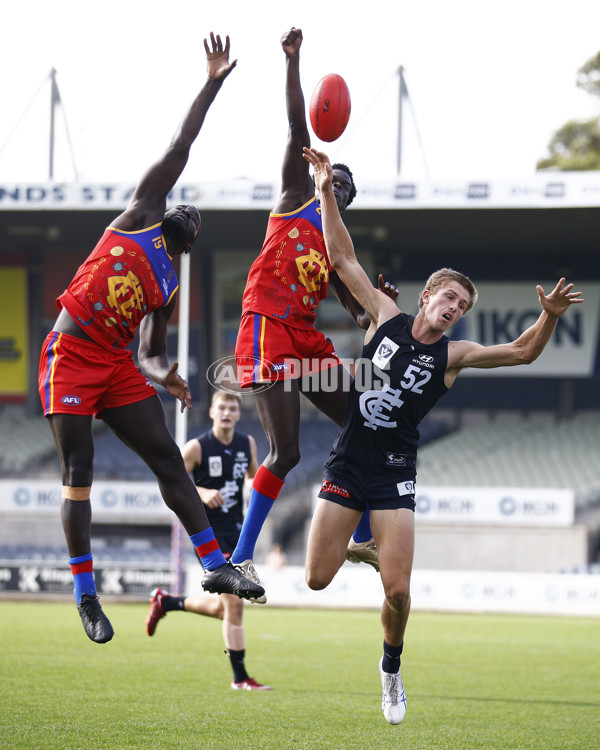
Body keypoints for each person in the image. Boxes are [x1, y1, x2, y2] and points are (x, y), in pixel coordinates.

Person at [302, 146, 584, 725]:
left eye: (463, 304)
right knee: (315, 577)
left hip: (396, 473)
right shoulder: (384, 315)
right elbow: (340, 255)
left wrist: (550, 314)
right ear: (427, 295)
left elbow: (524, 351)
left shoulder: (454, 357)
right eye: (448, 296)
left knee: (399, 592)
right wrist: (326, 188)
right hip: (348, 461)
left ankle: (391, 671)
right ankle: (363, 549)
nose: (454, 307)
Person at [37, 33, 264, 646]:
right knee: (78, 470)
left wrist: (165, 375)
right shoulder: (140, 214)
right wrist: (213, 82)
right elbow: (180, 144)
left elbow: (150, 350)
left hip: (115, 365)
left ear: (190, 243)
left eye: (195, 219)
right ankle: (86, 594)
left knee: (167, 455)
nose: (186, 212)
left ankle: (216, 564)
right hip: (70, 352)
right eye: (183, 206)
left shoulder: (168, 284)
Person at [231, 27, 385, 597]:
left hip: (305, 338)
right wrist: (295, 62)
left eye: (346, 186)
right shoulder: (295, 199)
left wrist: (380, 305)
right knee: (287, 451)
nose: (338, 183)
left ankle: (361, 534)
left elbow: (360, 303)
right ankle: (240, 557)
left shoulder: (336, 247)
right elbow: (298, 125)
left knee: (363, 418)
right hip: (269, 327)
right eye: (334, 175)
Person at [145, 390, 272, 690]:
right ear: (212, 412)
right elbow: (170, 480)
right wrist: (201, 493)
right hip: (210, 537)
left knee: (223, 608)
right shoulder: (197, 447)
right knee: (236, 606)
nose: (227, 412)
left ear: (238, 414)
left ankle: (167, 602)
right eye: (221, 407)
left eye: (232, 408)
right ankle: (240, 678)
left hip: (237, 533)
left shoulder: (247, 444)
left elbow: (253, 478)